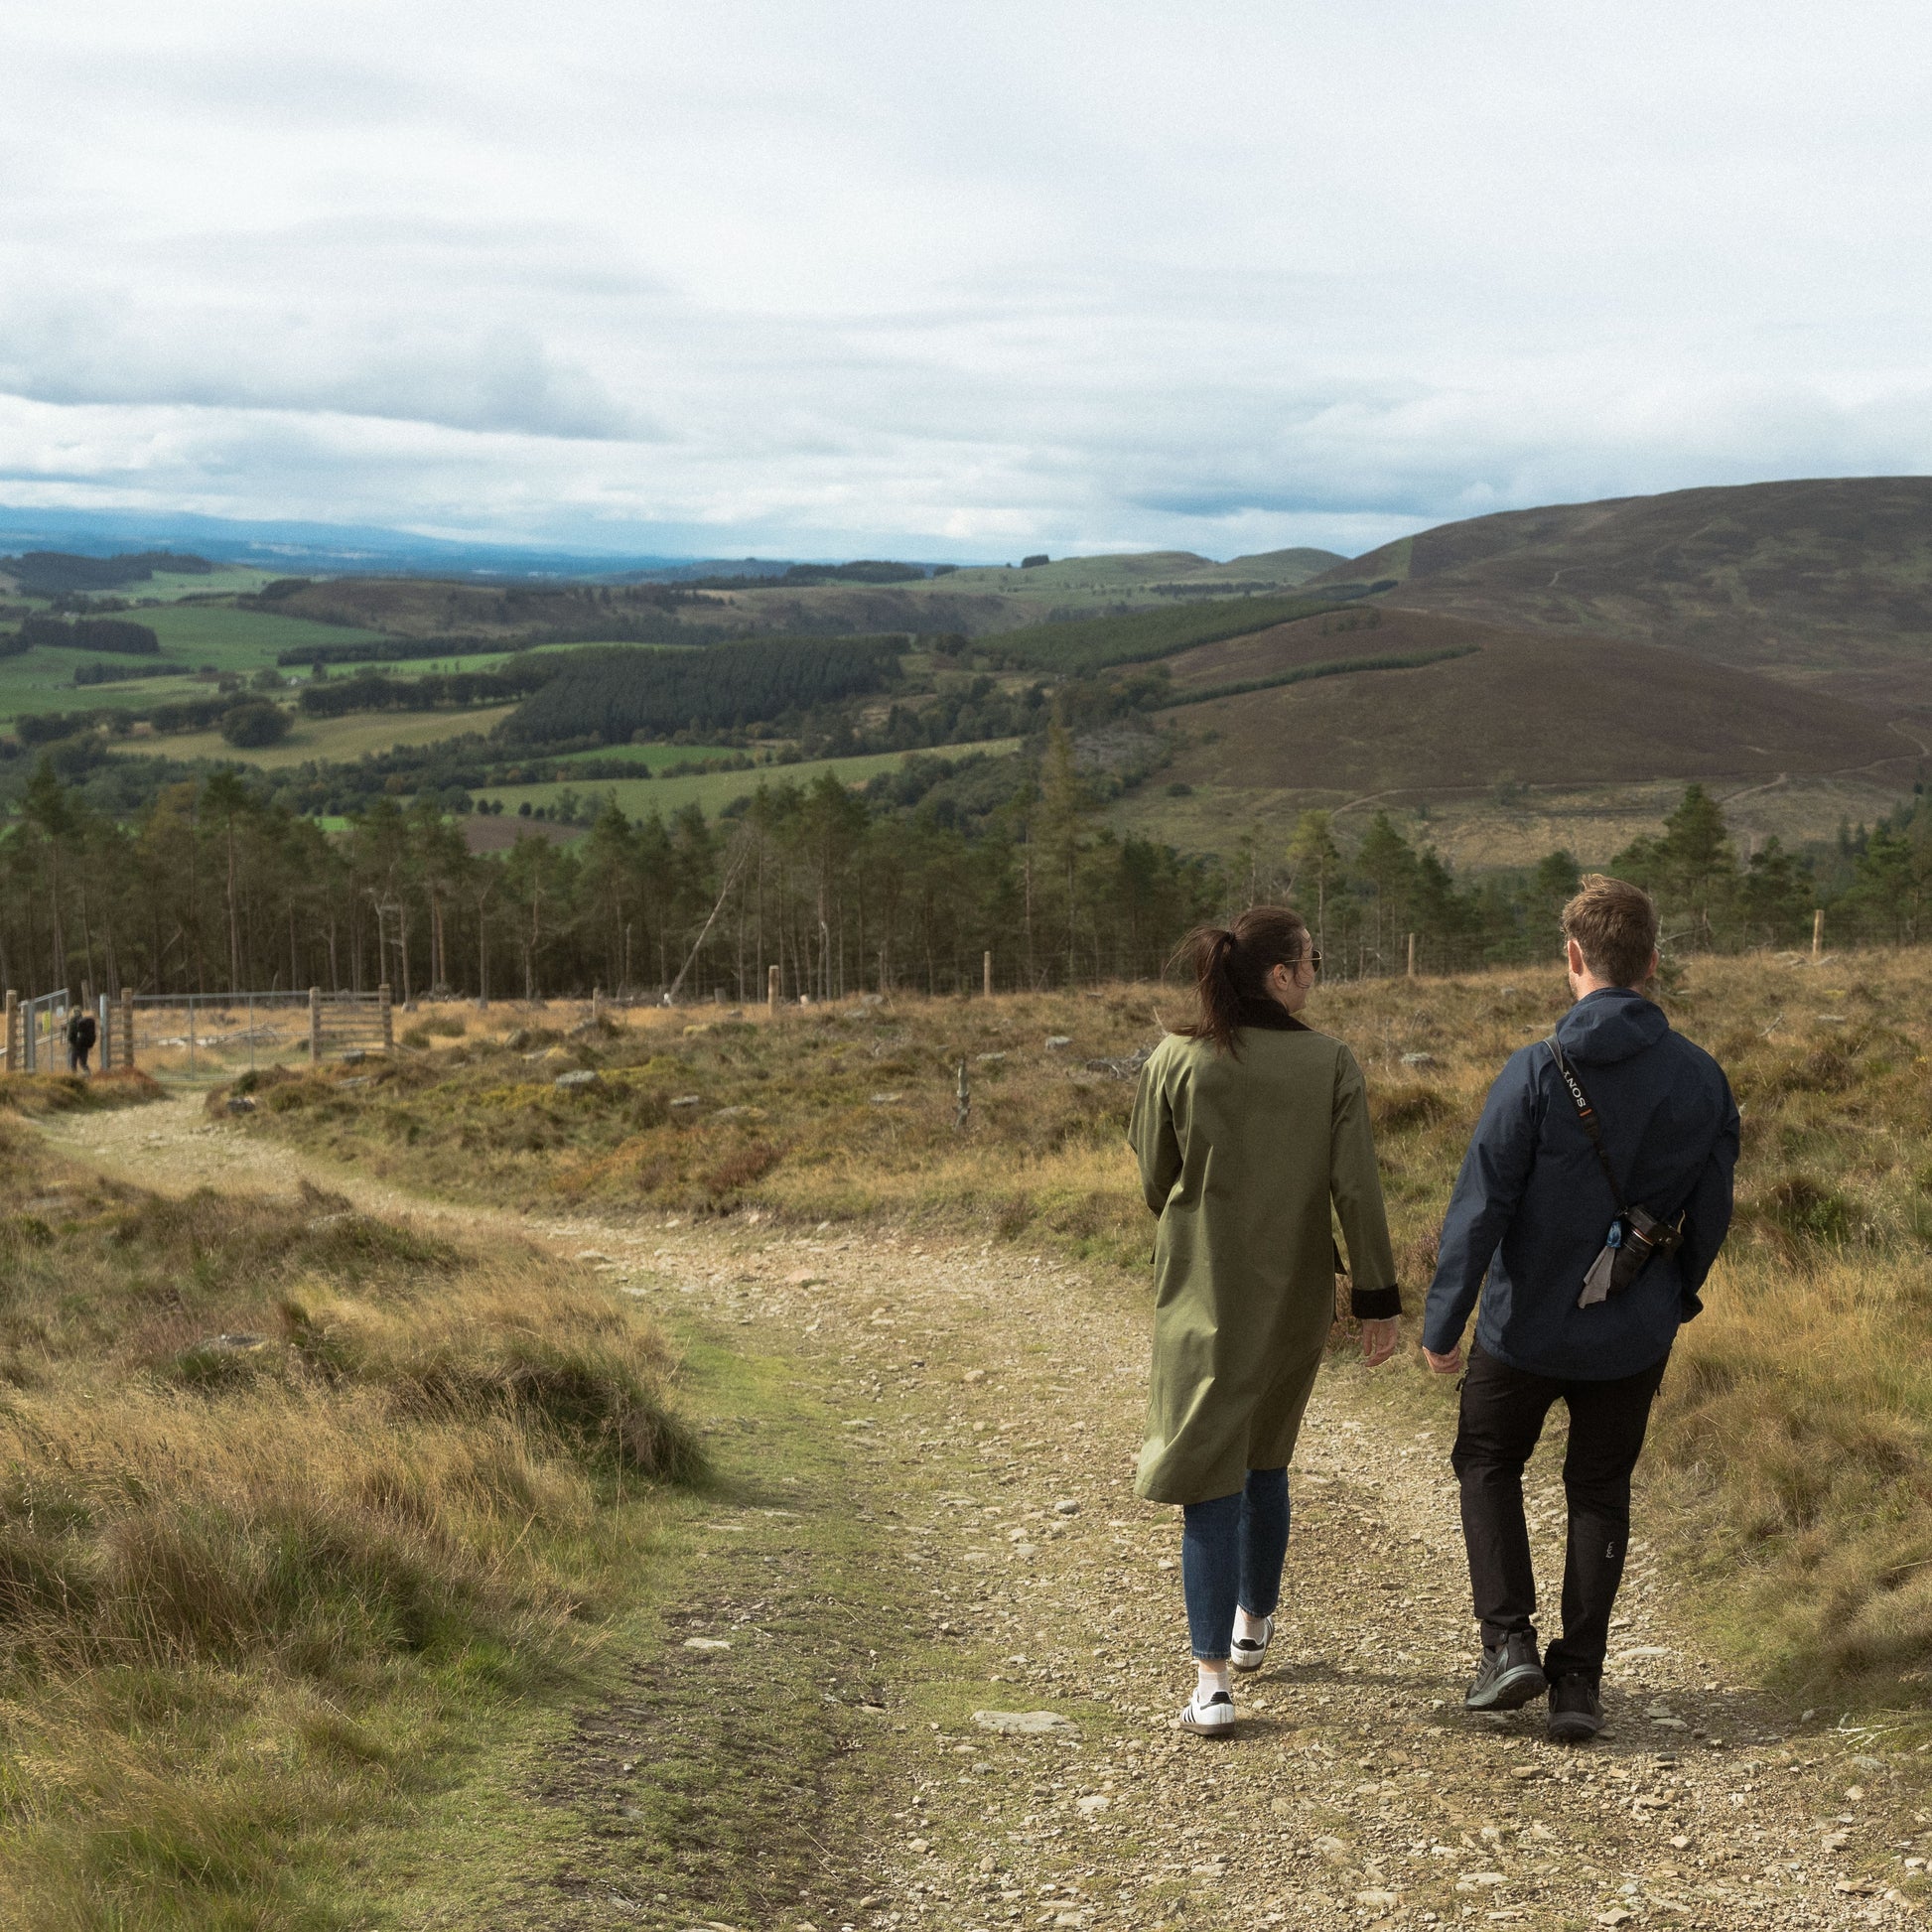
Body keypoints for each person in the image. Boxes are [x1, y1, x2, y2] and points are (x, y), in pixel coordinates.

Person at [1422, 876, 1737, 1742]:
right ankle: (1579, 1687)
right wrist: (1675, 1297)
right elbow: (1711, 1212)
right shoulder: (1702, 1077)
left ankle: (1507, 1644)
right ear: (1652, 963)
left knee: (1487, 1461)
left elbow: (1479, 1206)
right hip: (1633, 1332)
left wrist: (1444, 1323)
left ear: (1574, 959)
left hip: (1520, 1328)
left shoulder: (1534, 1070)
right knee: (1599, 1490)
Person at [1130, 905, 1403, 1736]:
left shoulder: (1176, 1060)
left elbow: (1153, 1175)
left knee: (1207, 1468)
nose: (1317, 972)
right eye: (1311, 960)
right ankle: (1253, 1624)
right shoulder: (1330, 1063)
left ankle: (1211, 1681)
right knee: (1266, 1457)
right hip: (1295, 1295)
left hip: (1201, 1291)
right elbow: (1357, 1187)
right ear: (1280, 976)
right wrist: (1377, 1300)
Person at [65, 1002, 97, 1075]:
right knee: (83, 1063)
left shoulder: (73, 1020)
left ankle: (74, 1077)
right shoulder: (84, 1021)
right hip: (84, 1045)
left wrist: (71, 1041)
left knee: (73, 1063)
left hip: (75, 1045)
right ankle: (88, 1075)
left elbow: (70, 1034)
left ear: (74, 1012)